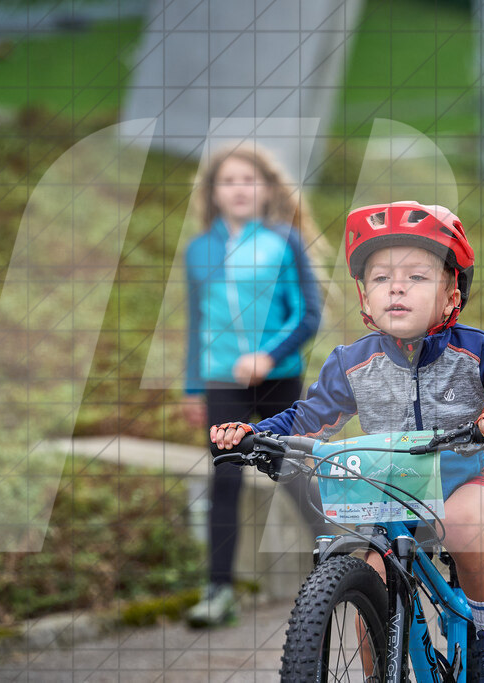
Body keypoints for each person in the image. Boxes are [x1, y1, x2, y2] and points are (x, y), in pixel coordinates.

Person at [212, 201, 484, 680]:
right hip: (396, 487)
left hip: (474, 478)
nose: (396, 286)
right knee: (372, 576)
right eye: (381, 278)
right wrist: (256, 436)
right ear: (364, 296)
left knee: (461, 523)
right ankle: (382, 671)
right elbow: (307, 418)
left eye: (417, 277)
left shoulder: (481, 350)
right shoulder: (351, 363)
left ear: (450, 296)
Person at [182, 144, 326, 628]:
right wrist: (192, 388)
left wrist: (269, 355)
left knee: (291, 471)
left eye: (248, 179)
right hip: (221, 379)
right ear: (214, 193)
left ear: (265, 189)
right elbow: (196, 323)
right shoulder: (198, 251)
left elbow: (308, 314)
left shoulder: (285, 242)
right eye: (228, 180)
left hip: (278, 378)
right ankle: (218, 590)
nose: (239, 188)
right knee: (222, 476)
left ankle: (343, 558)